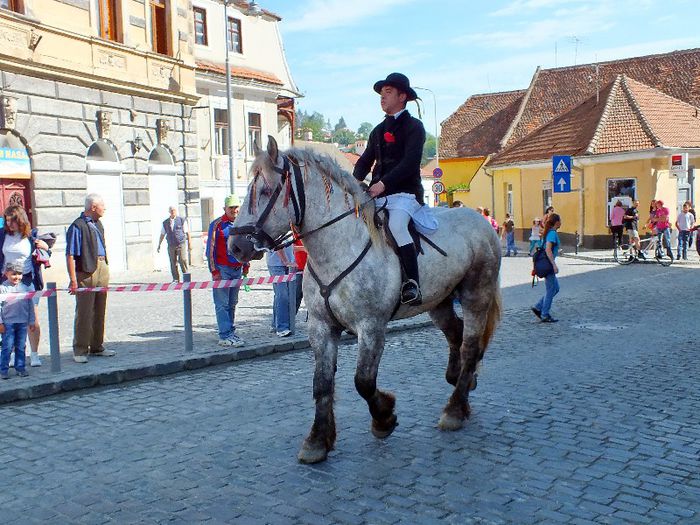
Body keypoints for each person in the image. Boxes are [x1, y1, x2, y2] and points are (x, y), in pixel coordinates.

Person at [353, 72, 436, 306]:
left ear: (402, 96)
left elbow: (409, 163)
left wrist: (383, 184)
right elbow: (364, 161)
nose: (382, 97)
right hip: (378, 193)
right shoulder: (377, 130)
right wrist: (353, 183)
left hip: (405, 194)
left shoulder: (414, 127)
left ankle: (412, 283)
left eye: (388, 92)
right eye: (381, 93)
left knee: (397, 226)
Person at [66, 194, 114, 363]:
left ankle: (97, 346)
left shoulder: (98, 224)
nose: (104, 208)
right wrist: (73, 279)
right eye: (102, 205)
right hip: (86, 270)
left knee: (100, 308)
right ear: (93, 207)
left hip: (101, 266)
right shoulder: (77, 226)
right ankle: (80, 349)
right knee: (84, 311)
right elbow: (70, 254)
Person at [0, 205, 49, 368]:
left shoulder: (30, 235)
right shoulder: (2, 235)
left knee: (32, 320)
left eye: (12, 221)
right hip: (7, 282)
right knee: (9, 321)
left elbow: (45, 251)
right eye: (7, 221)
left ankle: (34, 354)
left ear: (20, 220)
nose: (9, 224)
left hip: (27, 281)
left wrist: (46, 247)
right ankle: (14, 354)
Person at [206, 194, 249, 347]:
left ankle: (230, 331)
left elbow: (246, 246)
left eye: (236, 207)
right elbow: (210, 250)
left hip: (237, 269)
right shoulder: (217, 225)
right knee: (222, 303)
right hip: (222, 270)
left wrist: (246, 266)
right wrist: (214, 271)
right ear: (225, 208)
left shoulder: (242, 224)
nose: (234, 210)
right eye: (231, 207)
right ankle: (224, 335)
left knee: (232, 303)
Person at [0, 261, 37, 379]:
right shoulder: (3, 288)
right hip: (8, 322)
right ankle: (3, 369)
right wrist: (0, 322)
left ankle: (20, 367)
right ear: (6, 274)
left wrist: (31, 321)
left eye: (19, 274)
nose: (17, 277)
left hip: (22, 322)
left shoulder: (25, 288)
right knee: (7, 346)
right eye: (13, 274)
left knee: (21, 346)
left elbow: (30, 306)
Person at [531, 213, 561, 323]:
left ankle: (538, 306)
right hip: (548, 265)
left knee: (555, 288)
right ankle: (544, 314)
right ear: (556, 222)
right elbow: (548, 249)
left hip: (546, 263)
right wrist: (554, 264)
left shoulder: (550, 232)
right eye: (560, 220)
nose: (561, 222)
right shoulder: (552, 233)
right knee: (551, 290)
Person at [266, 245, 296, 337]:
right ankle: (282, 328)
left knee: (280, 295)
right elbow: (278, 246)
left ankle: (275, 324)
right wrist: (285, 261)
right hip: (277, 264)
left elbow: (289, 246)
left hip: (287, 264)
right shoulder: (280, 230)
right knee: (282, 296)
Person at [157, 205, 192, 282]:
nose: (173, 212)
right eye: (171, 210)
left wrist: (189, 243)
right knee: (173, 262)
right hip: (171, 244)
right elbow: (162, 234)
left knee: (182, 260)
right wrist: (159, 244)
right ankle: (175, 279)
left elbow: (187, 232)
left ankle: (186, 277)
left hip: (180, 243)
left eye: (174, 210)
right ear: (169, 212)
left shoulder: (181, 220)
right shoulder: (165, 222)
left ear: (176, 211)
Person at [292, 237, 307, 314]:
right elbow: (292, 247)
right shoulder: (296, 233)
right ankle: (291, 318)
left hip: (312, 267)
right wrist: (305, 248)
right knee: (297, 295)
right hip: (300, 267)